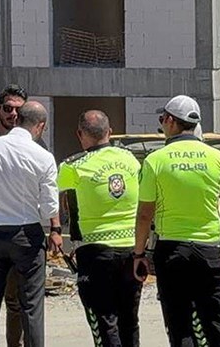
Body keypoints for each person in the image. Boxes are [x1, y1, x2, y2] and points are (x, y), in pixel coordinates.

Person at [133, 95, 220, 347]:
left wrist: (139, 253)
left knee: (179, 324)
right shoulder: (217, 157)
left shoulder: (156, 160)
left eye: (162, 120)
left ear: (170, 121)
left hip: (172, 251)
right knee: (216, 321)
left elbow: (144, 215)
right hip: (208, 249)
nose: (161, 125)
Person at [0, 101, 59, 347]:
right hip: (27, 234)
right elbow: (50, 208)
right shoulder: (43, 157)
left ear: (16, 119)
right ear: (41, 126)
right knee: (31, 306)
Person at [57, 110, 143, 347]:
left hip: (94, 251)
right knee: (129, 318)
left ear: (79, 134)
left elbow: (55, 200)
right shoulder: (131, 160)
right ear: (110, 132)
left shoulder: (71, 166)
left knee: (104, 320)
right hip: (131, 249)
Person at [0, 84, 51, 347]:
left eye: (18, 109)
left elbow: (48, 187)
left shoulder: (38, 144)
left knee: (16, 299)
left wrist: (55, 228)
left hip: (22, 228)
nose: (13, 114)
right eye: (7, 108)